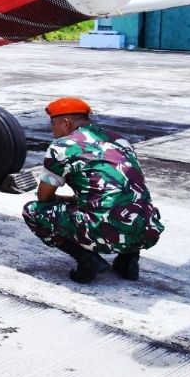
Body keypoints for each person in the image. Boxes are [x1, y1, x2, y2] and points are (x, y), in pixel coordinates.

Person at [22, 97, 164, 283]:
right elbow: (117, 190)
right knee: (130, 205)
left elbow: (44, 197)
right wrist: (74, 200)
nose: (53, 131)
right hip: (146, 228)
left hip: (104, 231)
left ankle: (88, 261)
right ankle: (128, 262)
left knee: (32, 211)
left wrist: (61, 200)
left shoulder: (62, 147)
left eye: (53, 125)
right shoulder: (119, 139)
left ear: (66, 123)